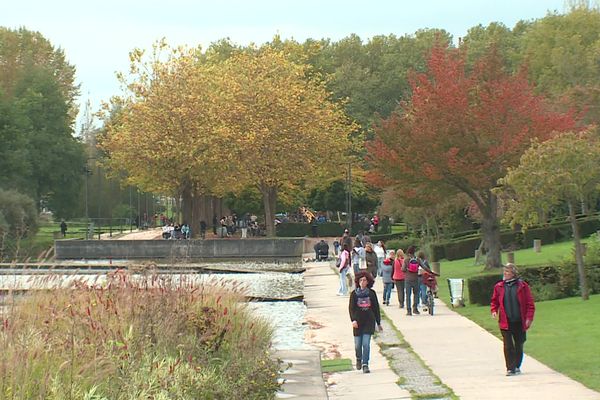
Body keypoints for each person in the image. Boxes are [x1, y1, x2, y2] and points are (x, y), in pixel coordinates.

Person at [490, 263, 535, 376]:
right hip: (506, 321)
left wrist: (529, 318)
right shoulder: (499, 286)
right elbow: (494, 301)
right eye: (504, 271)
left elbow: (530, 304)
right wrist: (494, 310)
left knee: (519, 344)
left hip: (519, 321)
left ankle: (517, 366)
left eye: (507, 272)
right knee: (508, 345)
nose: (505, 274)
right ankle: (510, 368)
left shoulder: (522, 286)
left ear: (514, 273)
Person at [349, 271, 382, 374]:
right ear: (358, 282)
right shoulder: (354, 294)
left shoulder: (372, 293)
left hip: (369, 321)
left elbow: (376, 308)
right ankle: (359, 358)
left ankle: (365, 364)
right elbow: (351, 308)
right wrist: (353, 320)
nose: (363, 282)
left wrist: (378, 322)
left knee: (366, 344)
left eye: (364, 280)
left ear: (368, 282)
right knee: (358, 345)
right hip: (358, 322)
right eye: (361, 280)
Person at [402, 246, 433, 315]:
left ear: (408, 253)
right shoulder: (417, 259)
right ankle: (415, 309)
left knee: (408, 295)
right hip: (416, 279)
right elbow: (424, 267)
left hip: (408, 280)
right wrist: (430, 272)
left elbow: (403, 269)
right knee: (416, 294)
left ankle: (409, 311)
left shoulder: (406, 260)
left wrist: (407, 270)